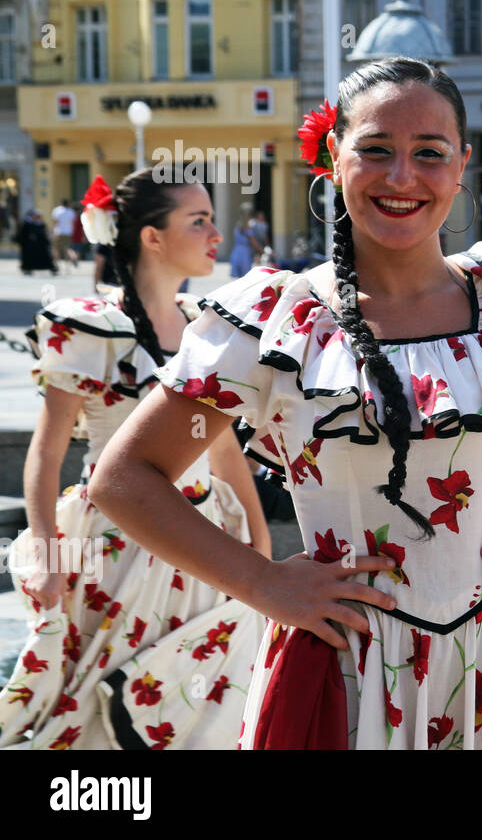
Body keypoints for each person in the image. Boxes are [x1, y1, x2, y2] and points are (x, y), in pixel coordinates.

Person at [89, 57, 482, 750]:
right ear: (334, 157)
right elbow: (123, 478)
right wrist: (264, 581)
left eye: (429, 153)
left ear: (462, 167)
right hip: (345, 670)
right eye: (375, 150)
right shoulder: (276, 316)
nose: (402, 177)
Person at [0, 171, 271, 750]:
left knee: (203, 698)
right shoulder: (89, 326)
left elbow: (223, 448)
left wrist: (259, 544)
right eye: (197, 221)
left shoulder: (209, 325)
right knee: (97, 693)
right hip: (112, 546)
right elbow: (46, 453)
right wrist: (47, 551)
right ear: (152, 237)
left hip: (201, 537)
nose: (215, 233)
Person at [17, 210, 56, 276]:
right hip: (28, 244)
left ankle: (52, 268)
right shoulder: (27, 223)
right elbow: (23, 235)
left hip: (40, 244)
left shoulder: (39, 223)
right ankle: (27, 269)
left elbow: (44, 233)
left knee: (45, 256)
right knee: (28, 257)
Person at [227, 203, 261, 279]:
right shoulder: (248, 226)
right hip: (245, 253)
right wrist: (261, 250)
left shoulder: (238, 224)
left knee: (238, 278)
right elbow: (254, 242)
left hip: (237, 251)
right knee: (245, 278)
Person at [51, 198, 78, 271]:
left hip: (59, 232)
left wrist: (52, 231)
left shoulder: (57, 210)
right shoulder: (71, 211)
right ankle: (68, 265)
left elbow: (56, 222)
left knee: (56, 249)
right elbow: (73, 222)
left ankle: (57, 264)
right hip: (68, 232)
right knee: (67, 248)